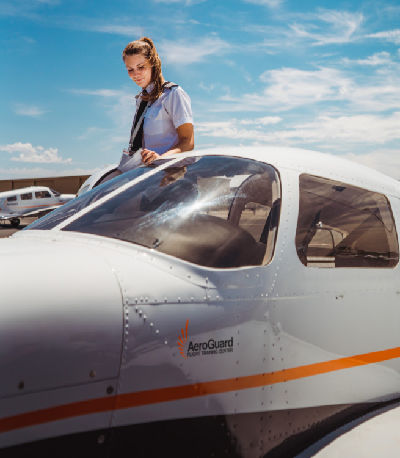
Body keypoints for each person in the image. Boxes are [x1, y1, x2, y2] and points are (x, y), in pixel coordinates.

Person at [123, 37, 194, 167]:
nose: (136, 74)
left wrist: (161, 159)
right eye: (130, 69)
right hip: (149, 174)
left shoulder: (173, 94)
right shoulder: (141, 100)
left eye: (141, 67)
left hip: (173, 174)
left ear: (152, 63)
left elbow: (188, 142)